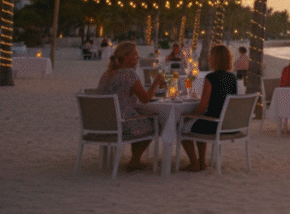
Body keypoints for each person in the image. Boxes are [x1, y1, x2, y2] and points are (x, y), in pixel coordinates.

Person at [97, 41, 165, 171]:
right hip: (121, 123)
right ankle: (135, 160)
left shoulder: (106, 74)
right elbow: (145, 99)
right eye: (135, 54)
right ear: (126, 57)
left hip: (103, 123)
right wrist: (156, 82)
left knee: (140, 119)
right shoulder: (129, 74)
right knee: (155, 124)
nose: (137, 57)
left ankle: (135, 159)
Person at [181, 44, 237, 172]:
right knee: (200, 121)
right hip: (229, 125)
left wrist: (187, 116)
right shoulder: (232, 78)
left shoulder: (211, 78)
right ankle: (202, 162)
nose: (208, 57)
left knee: (182, 127)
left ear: (214, 59)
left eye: (211, 55)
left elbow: (202, 107)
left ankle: (194, 163)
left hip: (215, 124)